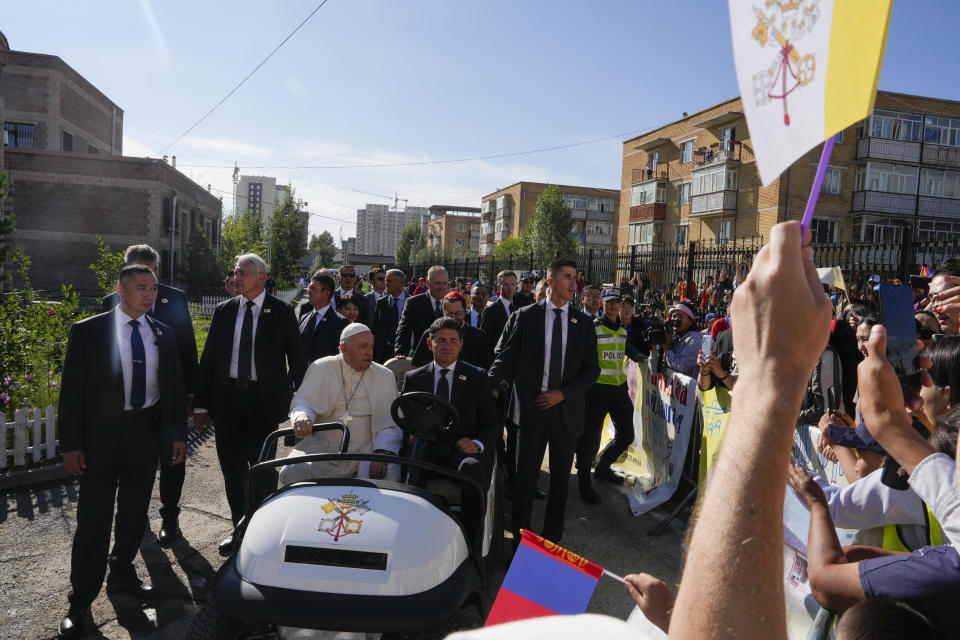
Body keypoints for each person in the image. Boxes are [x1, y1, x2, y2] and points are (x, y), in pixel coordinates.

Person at [57, 264, 187, 639]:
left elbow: (174, 392)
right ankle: (81, 600)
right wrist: (72, 445)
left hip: (144, 436)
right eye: (141, 287)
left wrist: (175, 434)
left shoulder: (163, 333)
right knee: (93, 520)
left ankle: (123, 572)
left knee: (133, 514)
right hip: (99, 439)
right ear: (121, 289)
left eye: (153, 288)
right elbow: (71, 394)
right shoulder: (89, 332)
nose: (149, 294)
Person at [193, 253, 307, 555]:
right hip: (227, 401)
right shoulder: (224, 311)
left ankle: (264, 534)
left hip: (263, 404)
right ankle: (240, 530)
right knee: (232, 472)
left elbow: (297, 361)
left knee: (262, 472)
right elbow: (209, 360)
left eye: (242, 272)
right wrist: (202, 405)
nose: (236, 277)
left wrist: (301, 404)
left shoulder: (281, 311)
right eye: (234, 272)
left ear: (260, 276)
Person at [489, 257, 600, 543]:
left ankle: (550, 543)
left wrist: (562, 393)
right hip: (531, 412)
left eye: (575, 277)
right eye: (566, 276)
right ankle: (520, 540)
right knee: (524, 483)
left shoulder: (584, 323)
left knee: (561, 484)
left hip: (566, 413)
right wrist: (484, 386)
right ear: (550, 281)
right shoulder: (525, 317)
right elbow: (506, 358)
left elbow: (592, 370)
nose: (573, 282)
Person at [100, 244, 197, 545]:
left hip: (168, 400)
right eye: (142, 273)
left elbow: (187, 350)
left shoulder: (175, 299)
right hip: (127, 405)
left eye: (154, 272)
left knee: (173, 459)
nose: (150, 281)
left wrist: (192, 395)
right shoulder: (109, 303)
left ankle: (170, 518)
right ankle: (136, 518)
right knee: (132, 466)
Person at [401, 317, 498, 539]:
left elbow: (492, 423)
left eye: (453, 341)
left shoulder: (478, 377)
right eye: (441, 340)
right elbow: (407, 420)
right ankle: (413, 533)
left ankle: (470, 538)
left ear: (461, 345)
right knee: (411, 465)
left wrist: (477, 443)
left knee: (472, 469)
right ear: (429, 343)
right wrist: (411, 437)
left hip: (463, 450)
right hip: (428, 447)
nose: (447, 346)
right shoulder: (414, 378)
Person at [282, 323, 402, 483]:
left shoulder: (384, 376)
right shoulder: (323, 367)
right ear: (344, 348)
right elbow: (304, 402)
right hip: (324, 449)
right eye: (363, 347)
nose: (370, 352)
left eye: (372, 346)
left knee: (387, 474)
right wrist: (302, 416)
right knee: (292, 471)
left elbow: (390, 423)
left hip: (367, 451)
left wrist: (382, 452)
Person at [575, 287, 636, 504]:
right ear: (602, 303)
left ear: (621, 304)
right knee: (588, 439)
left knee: (627, 435)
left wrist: (639, 355)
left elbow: (625, 349)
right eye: (609, 302)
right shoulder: (592, 327)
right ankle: (583, 482)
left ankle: (603, 467)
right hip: (595, 391)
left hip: (618, 390)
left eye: (617, 302)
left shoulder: (621, 330)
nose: (613, 305)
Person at [411, 292, 494, 370]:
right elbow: (418, 367)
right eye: (449, 314)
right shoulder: (430, 334)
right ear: (443, 313)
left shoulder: (480, 336)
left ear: (465, 312)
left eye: (457, 313)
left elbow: (486, 369)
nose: (453, 318)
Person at [396, 265, 449, 356]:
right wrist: (400, 354)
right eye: (438, 283)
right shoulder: (413, 303)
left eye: (444, 283)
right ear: (428, 283)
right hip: (419, 359)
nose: (442, 287)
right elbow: (404, 330)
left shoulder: (452, 303)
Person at [299, 273, 348, 363]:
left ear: (326, 294)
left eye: (313, 289)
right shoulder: (304, 317)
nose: (308, 292)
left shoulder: (340, 322)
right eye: (309, 288)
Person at [372, 268, 407, 363]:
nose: (385, 283)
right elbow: (376, 329)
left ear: (400, 283)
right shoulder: (381, 302)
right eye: (385, 280)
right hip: (384, 353)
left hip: (404, 353)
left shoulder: (412, 302)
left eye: (389, 281)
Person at [658, 299, 700, 377]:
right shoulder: (675, 339)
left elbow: (682, 368)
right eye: (674, 316)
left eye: (681, 316)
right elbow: (655, 370)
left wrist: (667, 350)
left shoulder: (695, 339)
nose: (676, 319)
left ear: (690, 321)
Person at [479, 269, 518, 346]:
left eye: (512, 284)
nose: (510, 288)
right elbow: (484, 340)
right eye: (506, 284)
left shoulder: (517, 309)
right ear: (499, 286)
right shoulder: (491, 310)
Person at [336, 264, 370, 328]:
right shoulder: (330, 296)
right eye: (345, 275)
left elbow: (365, 324)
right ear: (338, 277)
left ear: (355, 277)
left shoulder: (363, 300)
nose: (348, 278)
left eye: (352, 275)